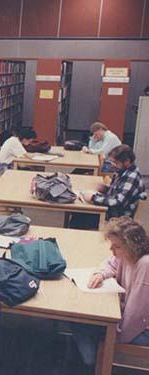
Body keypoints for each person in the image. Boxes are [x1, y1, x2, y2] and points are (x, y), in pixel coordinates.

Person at [72, 217, 149, 366]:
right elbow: (109, 264)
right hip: (132, 321)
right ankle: (93, 358)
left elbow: (136, 316)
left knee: (80, 322)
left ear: (131, 246)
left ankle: (94, 362)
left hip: (142, 331)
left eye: (116, 246)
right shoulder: (127, 254)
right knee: (83, 319)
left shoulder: (145, 265)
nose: (111, 250)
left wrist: (114, 336)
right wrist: (100, 274)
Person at [83, 145, 146, 219]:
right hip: (113, 211)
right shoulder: (123, 171)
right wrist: (105, 189)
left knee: (79, 216)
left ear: (127, 161)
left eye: (115, 162)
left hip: (117, 217)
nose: (112, 165)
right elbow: (119, 191)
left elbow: (118, 202)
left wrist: (93, 198)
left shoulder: (131, 177)